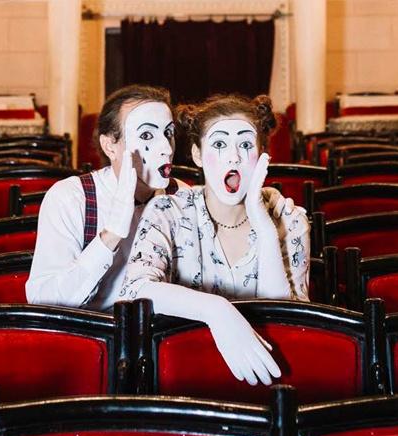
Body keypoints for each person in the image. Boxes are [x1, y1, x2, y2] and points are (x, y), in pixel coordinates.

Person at [26, 85, 295, 313]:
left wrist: (271, 205)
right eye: (146, 135)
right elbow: (44, 300)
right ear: (110, 146)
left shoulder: (183, 196)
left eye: (167, 133)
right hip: (94, 340)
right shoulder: (71, 198)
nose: (166, 149)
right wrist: (110, 237)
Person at [121, 94, 310, 386]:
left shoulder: (289, 218)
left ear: (261, 154)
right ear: (197, 154)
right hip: (188, 382)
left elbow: (289, 322)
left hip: (270, 384)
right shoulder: (167, 211)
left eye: (245, 145)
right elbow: (135, 290)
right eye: (219, 144)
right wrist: (216, 309)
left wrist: (265, 229)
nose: (233, 157)